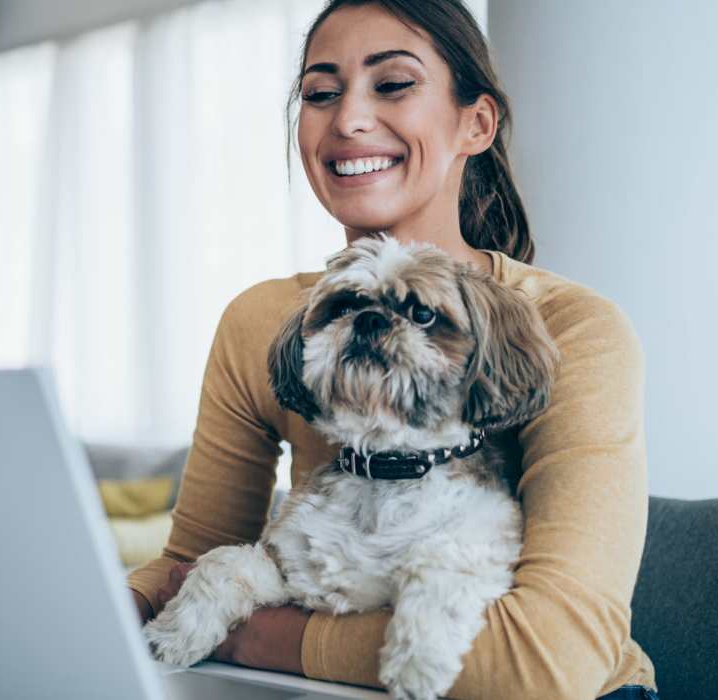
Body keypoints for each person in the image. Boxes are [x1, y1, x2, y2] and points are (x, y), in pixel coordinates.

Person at [128, 1, 659, 698]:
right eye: (320, 93)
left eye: (393, 84)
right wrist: (88, 607)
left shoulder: (572, 327)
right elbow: (187, 567)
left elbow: (546, 666)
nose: (347, 119)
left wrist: (254, 634)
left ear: (477, 122)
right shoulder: (263, 320)